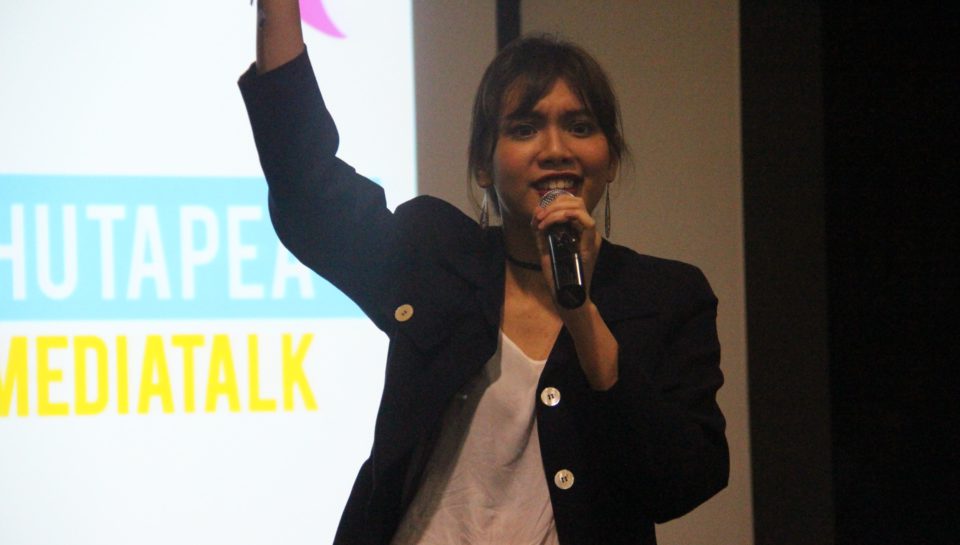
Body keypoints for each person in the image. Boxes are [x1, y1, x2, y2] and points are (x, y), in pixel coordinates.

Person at [239, 2, 728, 544]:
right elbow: (307, 185)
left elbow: (684, 481)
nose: (555, 149)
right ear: (482, 165)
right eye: (525, 128)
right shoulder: (435, 256)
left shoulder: (666, 298)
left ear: (610, 158)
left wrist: (582, 315)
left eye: (580, 126)